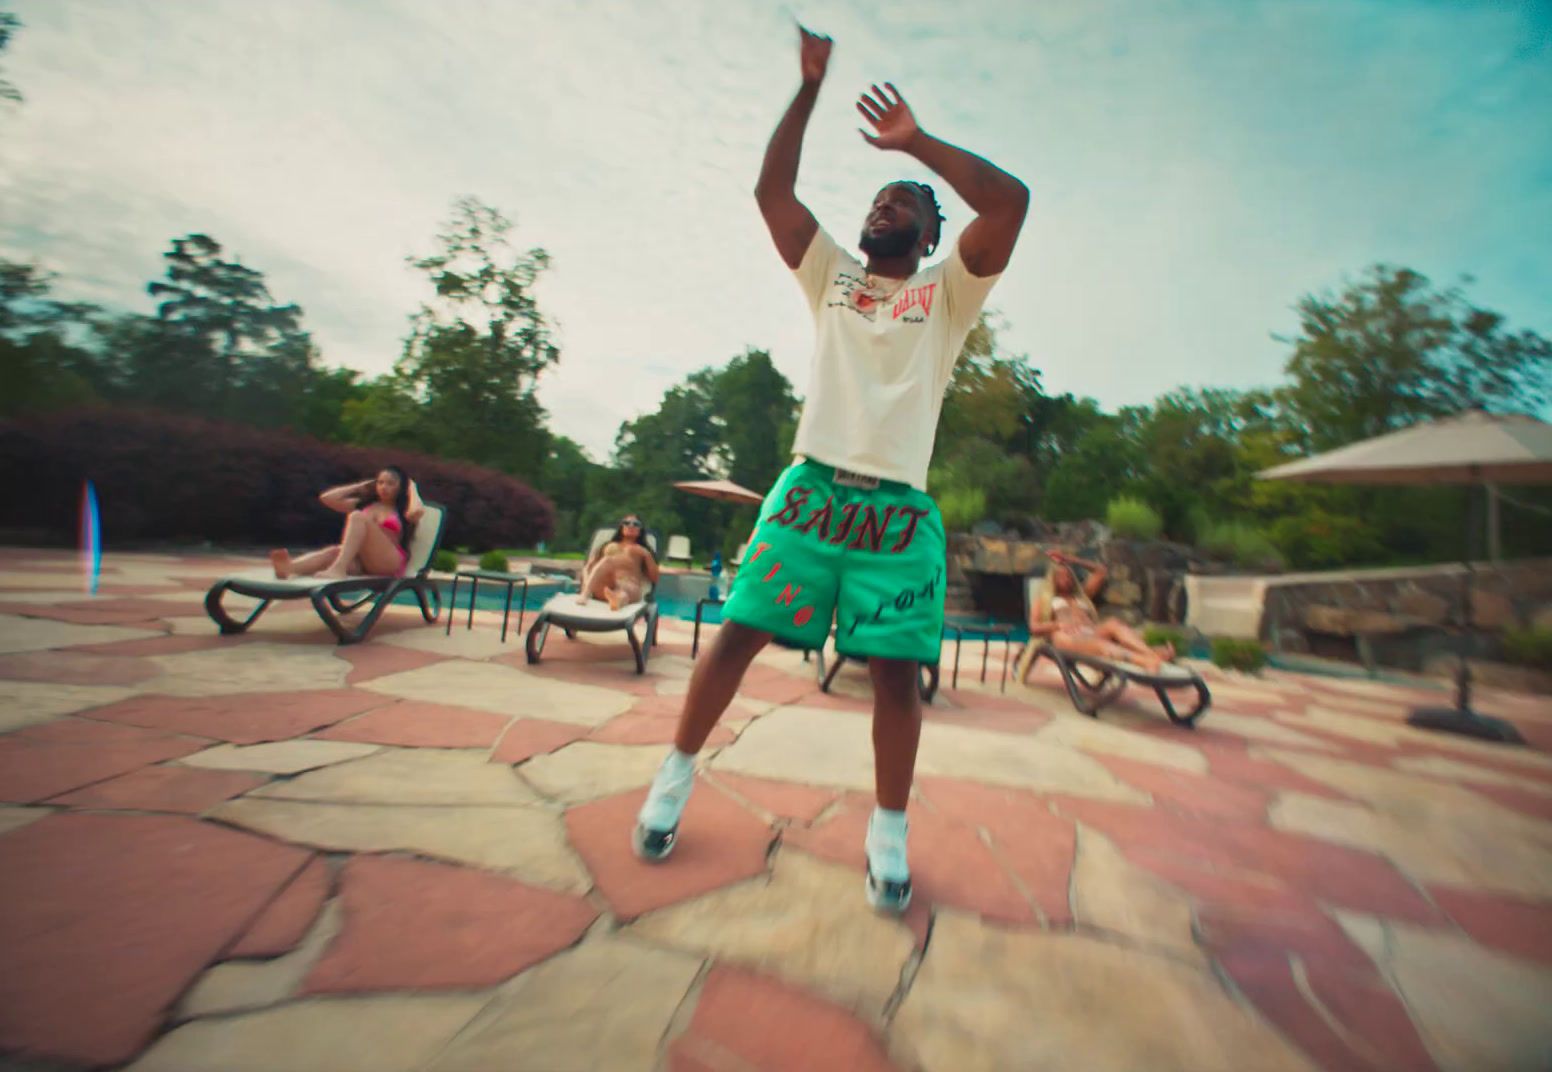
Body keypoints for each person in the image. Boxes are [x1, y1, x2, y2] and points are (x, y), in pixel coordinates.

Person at [631, 24, 1029, 915]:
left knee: (895, 676)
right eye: (879, 198)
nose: (883, 207)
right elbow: (773, 189)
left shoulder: (949, 294)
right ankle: (674, 778)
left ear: (930, 236)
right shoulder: (834, 277)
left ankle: (888, 836)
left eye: (903, 204)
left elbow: (1010, 204)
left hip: (897, 516)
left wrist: (915, 144)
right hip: (811, 492)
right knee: (735, 636)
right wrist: (809, 88)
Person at [1022, 550, 1175, 676]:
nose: (1066, 579)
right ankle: (1145, 661)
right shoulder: (1045, 599)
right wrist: (1058, 624)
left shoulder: (1082, 595)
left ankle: (1150, 654)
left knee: (1113, 624)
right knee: (1102, 646)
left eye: (1068, 575)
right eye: (1061, 576)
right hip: (1067, 638)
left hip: (1092, 632)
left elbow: (1101, 571)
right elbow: (1033, 627)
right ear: (1053, 578)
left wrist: (1070, 559)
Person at [270, 466, 424, 580]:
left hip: (389, 562)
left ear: (401, 487)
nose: (384, 487)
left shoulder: (403, 510)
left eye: (391, 483)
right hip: (363, 563)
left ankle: (339, 569)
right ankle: (288, 568)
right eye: (380, 482)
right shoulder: (365, 505)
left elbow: (417, 511)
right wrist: (359, 486)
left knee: (357, 517)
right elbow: (327, 498)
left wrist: (413, 489)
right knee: (333, 552)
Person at [578, 514, 660, 610]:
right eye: (626, 523)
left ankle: (617, 601)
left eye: (636, 524)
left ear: (640, 530)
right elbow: (588, 567)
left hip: (629, 586)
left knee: (623, 593)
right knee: (607, 560)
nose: (631, 526)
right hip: (604, 588)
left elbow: (655, 578)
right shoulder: (607, 546)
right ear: (621, 527)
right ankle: (585, 594)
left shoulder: (643, 551)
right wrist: (585, 585)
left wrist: (647, 554)